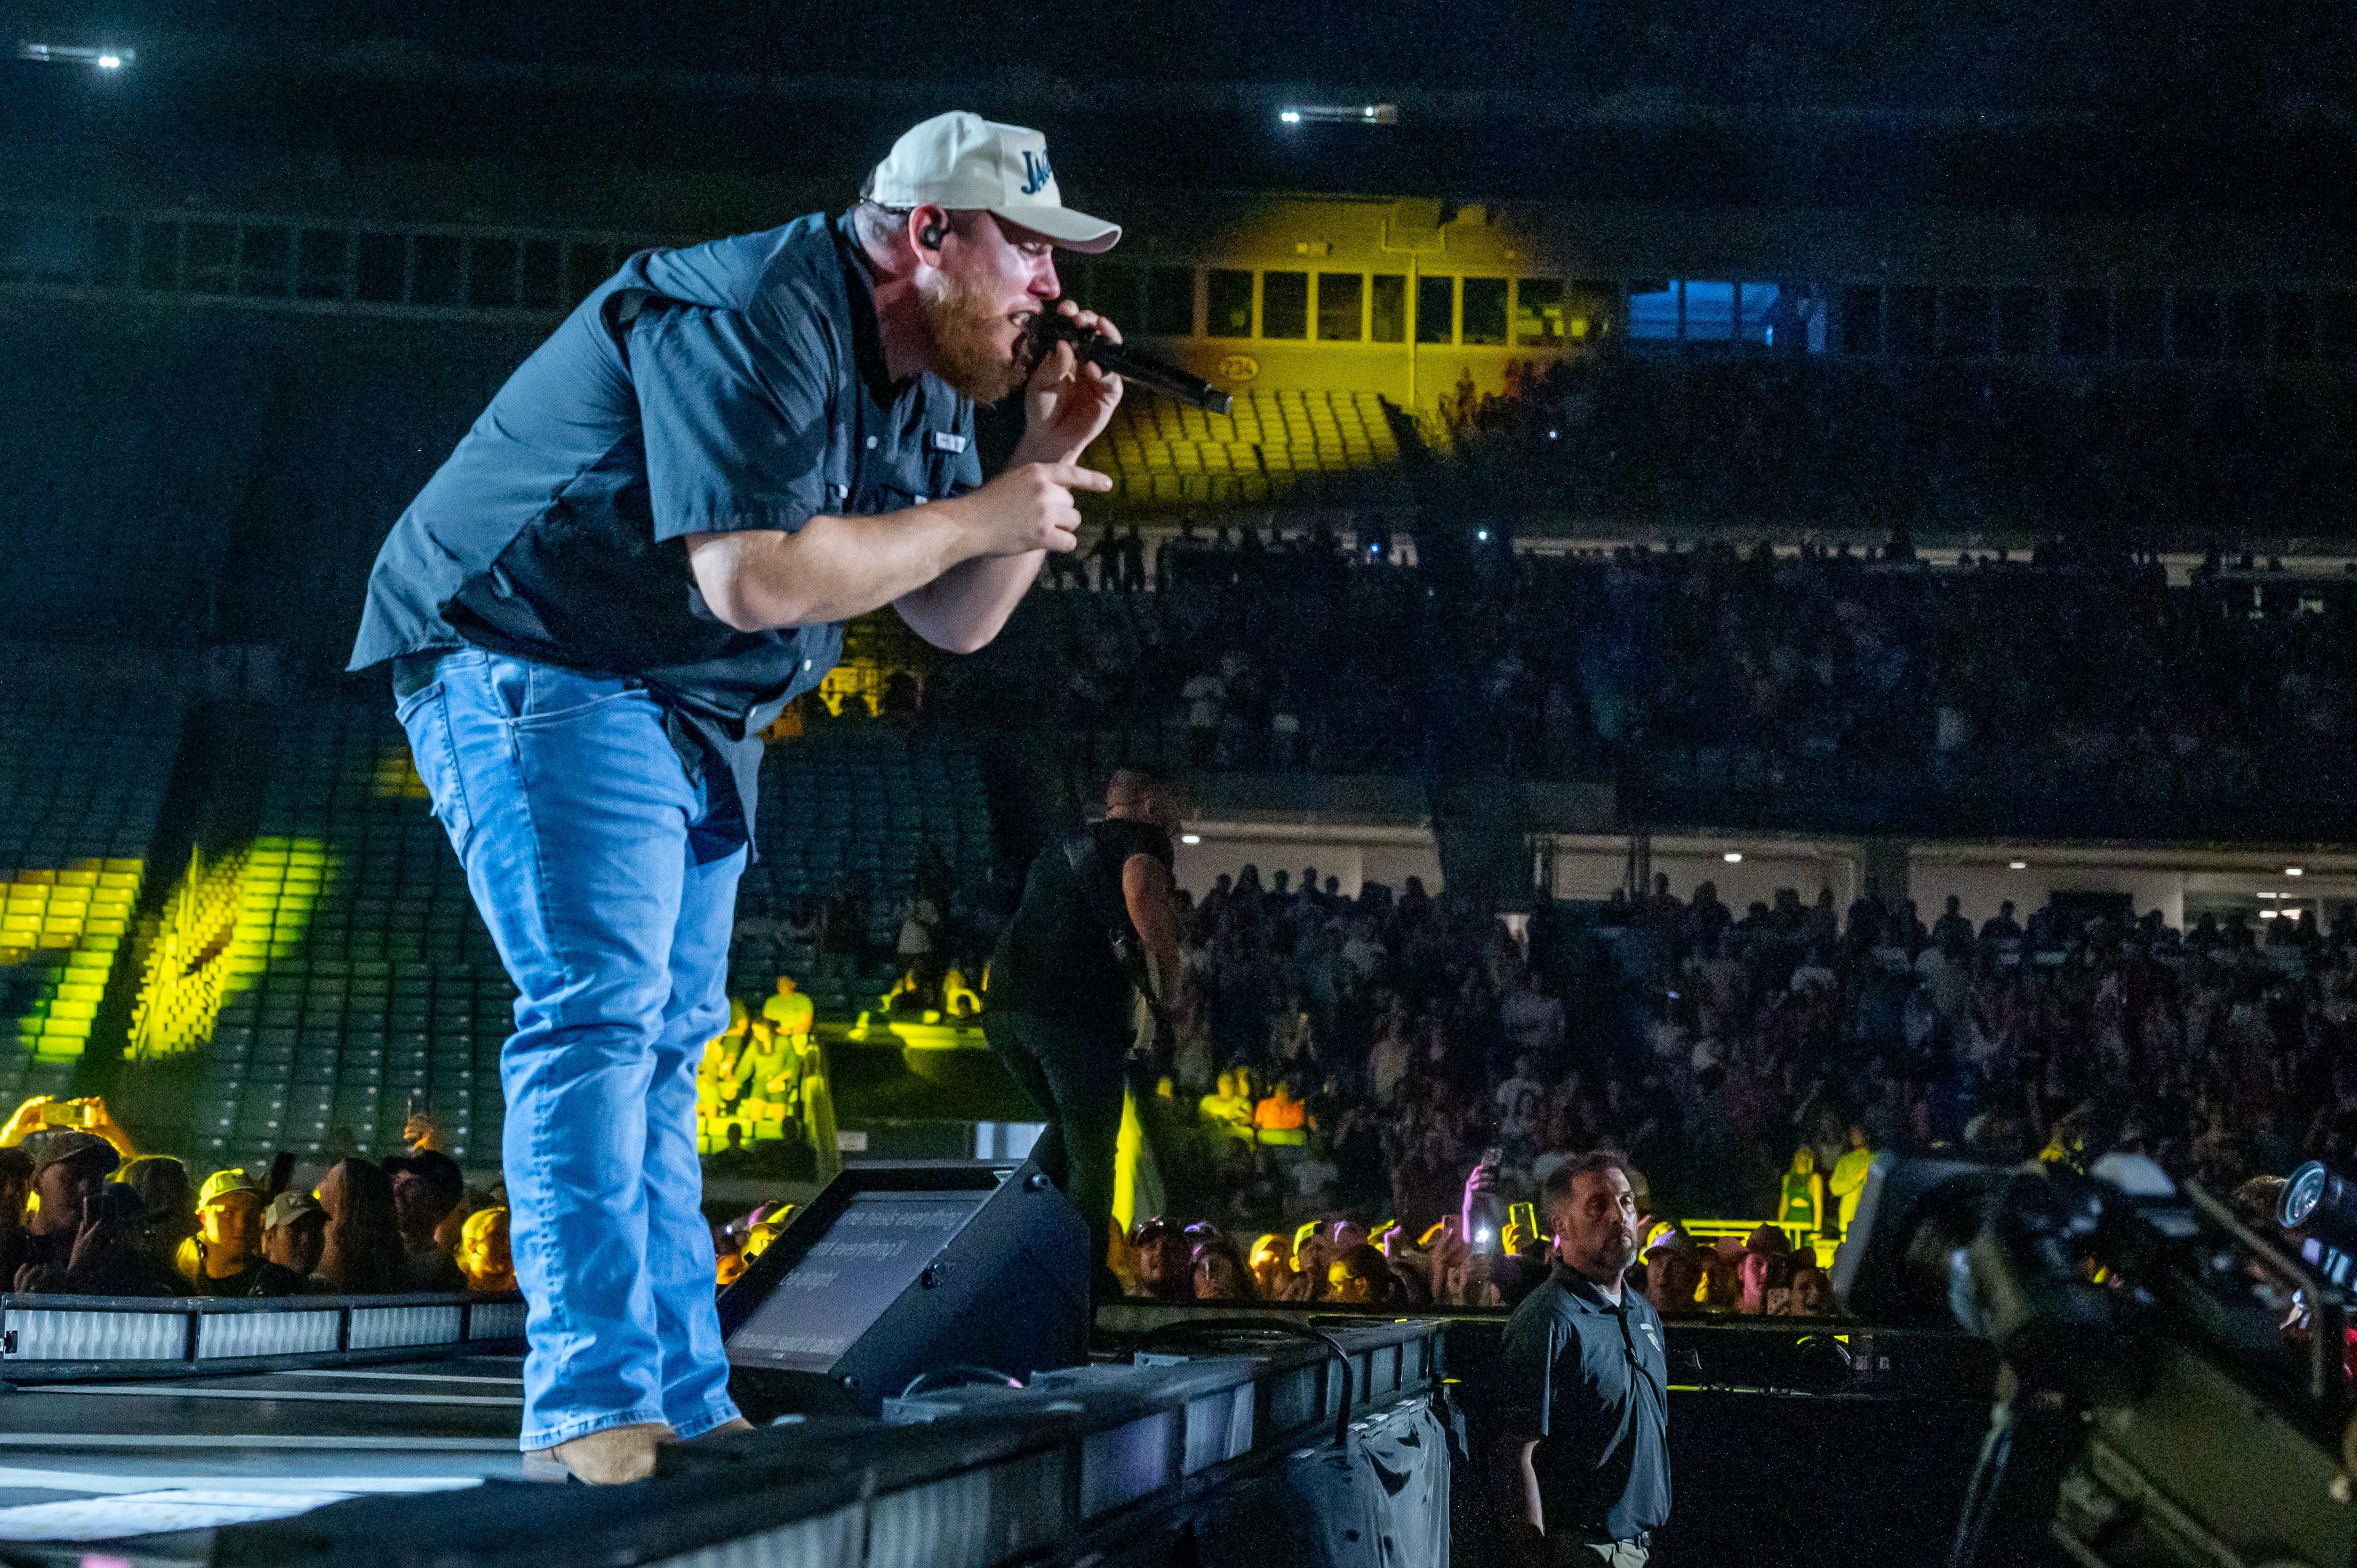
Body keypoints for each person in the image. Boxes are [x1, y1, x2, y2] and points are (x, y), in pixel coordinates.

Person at [345, 109, 1125, 1483]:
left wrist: (1036, 467)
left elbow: (950, 618)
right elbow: (753, 579)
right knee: (599, 1014)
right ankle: (587, 1407)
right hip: (531, 650)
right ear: (929, 233)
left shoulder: (926, 370)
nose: (1052, 289)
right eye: (1030, 249)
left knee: (665, 1041)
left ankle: (680, 1398)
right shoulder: (753, 311)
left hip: (687, 698)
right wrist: (994, 510)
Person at [985, 769, 1183, 1300]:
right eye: (1173, 810)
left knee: (1071, 1127)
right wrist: (1170, 970)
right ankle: (1083, 1277)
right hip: (1072, 1016)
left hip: (1005, 1010)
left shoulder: (1064, 844)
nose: (1178, 824)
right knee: (1096, 1148)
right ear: (1146, 805)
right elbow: (1141, 886)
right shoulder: (1143, 842)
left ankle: (1002, 1233)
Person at [1490, 1152, 1670, 1568]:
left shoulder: (1642, 1312)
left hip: (1644, 1545)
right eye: (1598, 1205)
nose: (1618, 1216)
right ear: (1560, 1225)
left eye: (1625, 1202)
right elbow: (1514, 1453)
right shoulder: (1548, 1319)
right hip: (1586, 1551)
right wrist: (1535, 1557)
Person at [178, 1169, 306, 1298]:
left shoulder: (275, 1280)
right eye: (229, 1213)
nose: (241, 1224)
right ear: (203, 1219)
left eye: (250, 1213)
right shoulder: (184, 1281)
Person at [386, 1148, 469, 1292]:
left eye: (411, 1184)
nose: (396, 1189)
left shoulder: (450, 1279)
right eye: (397, 1180)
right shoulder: (372, 1257)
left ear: (440, 1203)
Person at [262, 1189, 329, 1279]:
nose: (307, 1240)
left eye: (315, 1230)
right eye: (296, 1230)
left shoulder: (322, 1288)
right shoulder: (257, 1290)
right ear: (270, 1238)